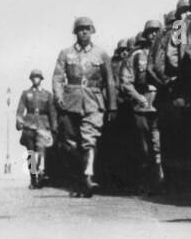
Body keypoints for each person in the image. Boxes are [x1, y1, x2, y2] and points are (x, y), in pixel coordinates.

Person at [52, 17, 116, 198]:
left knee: (90, 139)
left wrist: (112, 106)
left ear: (92, 31)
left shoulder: (101, 54)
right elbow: (57, 78)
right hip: (70, 102)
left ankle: (88, 176)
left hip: (93, 101)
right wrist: (59, 97)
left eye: (87, 28)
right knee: (70, 144)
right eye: (80, 29)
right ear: (75, 32)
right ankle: (77, 177)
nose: (84, 32)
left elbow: (110, 81)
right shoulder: (66, 53)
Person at [119, 20, 166, 193]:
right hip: (142, 105)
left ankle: (160, 182)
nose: (154, 34)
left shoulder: (166, 52)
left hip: (161, 103)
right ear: (146, 34)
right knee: (143, 148)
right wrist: (138, 98)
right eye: (151, 31)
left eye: (157, 31)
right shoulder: (136, 55)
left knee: (159, 145)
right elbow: (126, 81)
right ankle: (144, 182)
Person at [16, 69, 56, 189]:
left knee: (41, 150)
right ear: (31, 79)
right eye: (33, 77)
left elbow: (52, 112)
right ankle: (33, 178)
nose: (35, 79)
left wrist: (54, 127)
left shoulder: (47, 95)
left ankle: (41, 173)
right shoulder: (26, 93)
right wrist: (19, 122)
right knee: (31, 153)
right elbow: (20, 109)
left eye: (37, 77)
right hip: (29, 125)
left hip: (43, 125)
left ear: (41, 79)